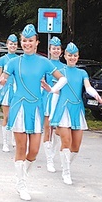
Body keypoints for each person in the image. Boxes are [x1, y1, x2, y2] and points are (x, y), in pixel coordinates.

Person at [0, 24, 67, 201]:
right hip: (19, 107)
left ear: (36, 42)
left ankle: (22, 176)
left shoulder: (44, 62)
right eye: (24, 40)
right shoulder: (14, 62)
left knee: (34, 150)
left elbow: (63, 79)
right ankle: (21, 184)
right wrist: (0, 82)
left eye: (30, 40)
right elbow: (3, 80)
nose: (27, 43)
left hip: (36, 108)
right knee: (21, 148)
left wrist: (52, 90)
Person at [46, 42, 102, 185]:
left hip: (77, 110)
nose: (72, 58)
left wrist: (96, 95)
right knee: (66, 141)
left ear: (78, 57)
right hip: (62, 109)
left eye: (75, 55)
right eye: (70, 55)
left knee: (75, 147)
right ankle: (66, 173)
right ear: (65, 56)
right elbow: (56, 92)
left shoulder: (82, 72)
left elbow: (88, 87)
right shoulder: (60, 71)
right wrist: (52, 114)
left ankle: (66, 165)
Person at [42, 36, 65, 172]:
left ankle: (53, 153)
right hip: (47, 98)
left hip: (60, 99)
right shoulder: (45, 65)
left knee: (57, 131)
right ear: (49, 50)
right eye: (53, 48)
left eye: (58, 48)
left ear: (61, 51)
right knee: (48, 129)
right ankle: (49, 160)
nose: (56, 51)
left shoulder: (64, 66)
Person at [0, 34, 19, 152]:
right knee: (7, 116)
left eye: (15, 44)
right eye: (11, 44)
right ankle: (5, 142)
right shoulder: (2, 59)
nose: (13, 46)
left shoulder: (19, 59)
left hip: (17, 90)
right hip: (6, 91)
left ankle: (14, 139)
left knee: (16, 116)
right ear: (7, 45)